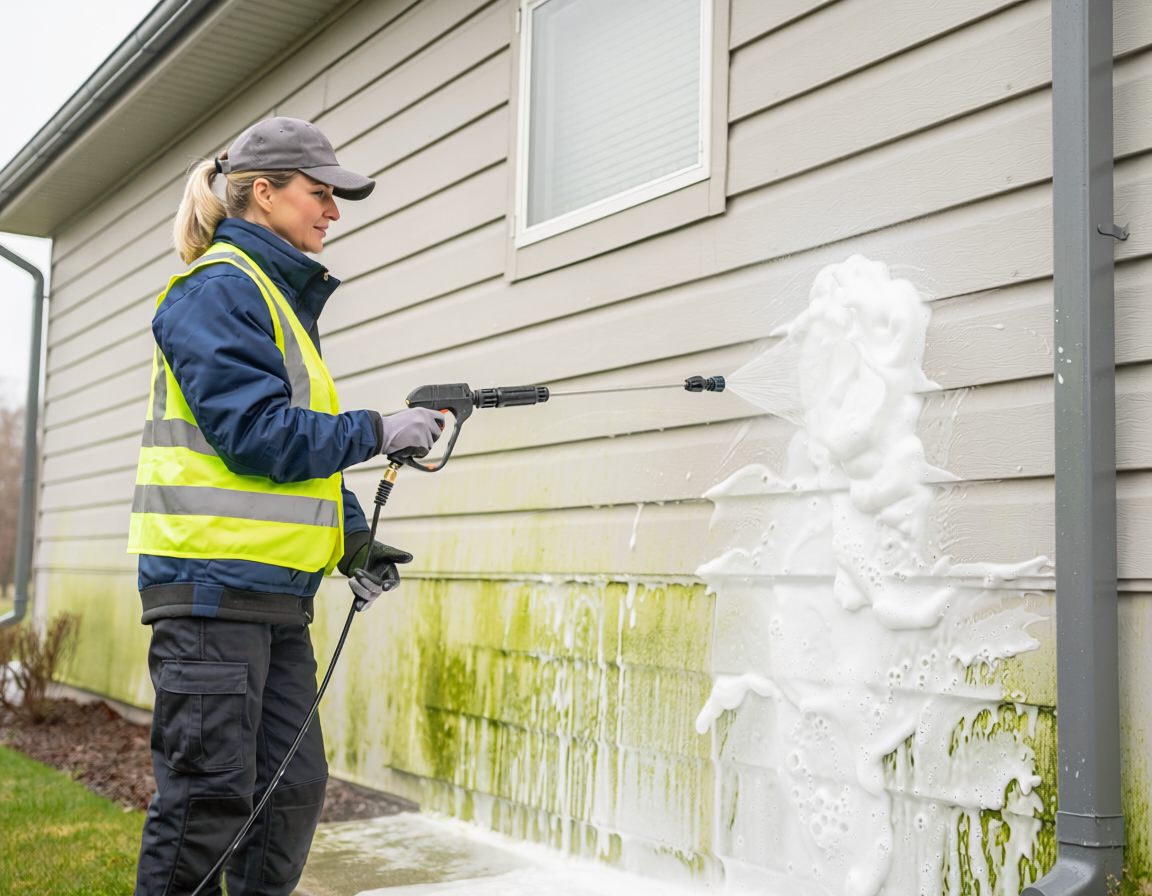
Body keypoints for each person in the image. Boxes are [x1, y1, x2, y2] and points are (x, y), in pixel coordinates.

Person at [127, 117, 444, 896]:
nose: (332, 211)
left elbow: (297, 465)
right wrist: (375, 428)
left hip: (272, 602)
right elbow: (255, 436)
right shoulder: (218, 290)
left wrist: (355, 545)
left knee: (289, 796)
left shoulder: (273, 298)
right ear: (262, 194)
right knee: (209, 804)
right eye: (320, 193)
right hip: (210, 601)